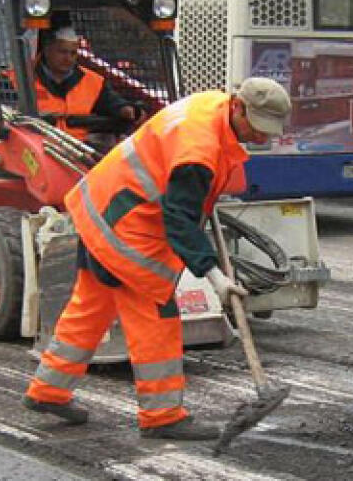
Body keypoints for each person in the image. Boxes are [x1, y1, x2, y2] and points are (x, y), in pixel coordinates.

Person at [21, 77, 292, 440]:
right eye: (257, 127)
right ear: (238, 106)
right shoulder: (198, 149)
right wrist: (216, 277)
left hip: (102, 210)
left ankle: (47, 391)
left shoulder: (212, 106)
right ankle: (162, 416)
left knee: (90, 309)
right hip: (129, 229)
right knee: (157, 319)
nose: (260, 137)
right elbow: (179, 220)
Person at [24, 22, 141, 141]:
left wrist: (126, 110)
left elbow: (114, 103)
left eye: (73, 53)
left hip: (78, 147)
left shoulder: (93, 82)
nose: (68, 58)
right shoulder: (21, 77)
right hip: (34, 144)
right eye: (62, 52)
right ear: (47, 50)